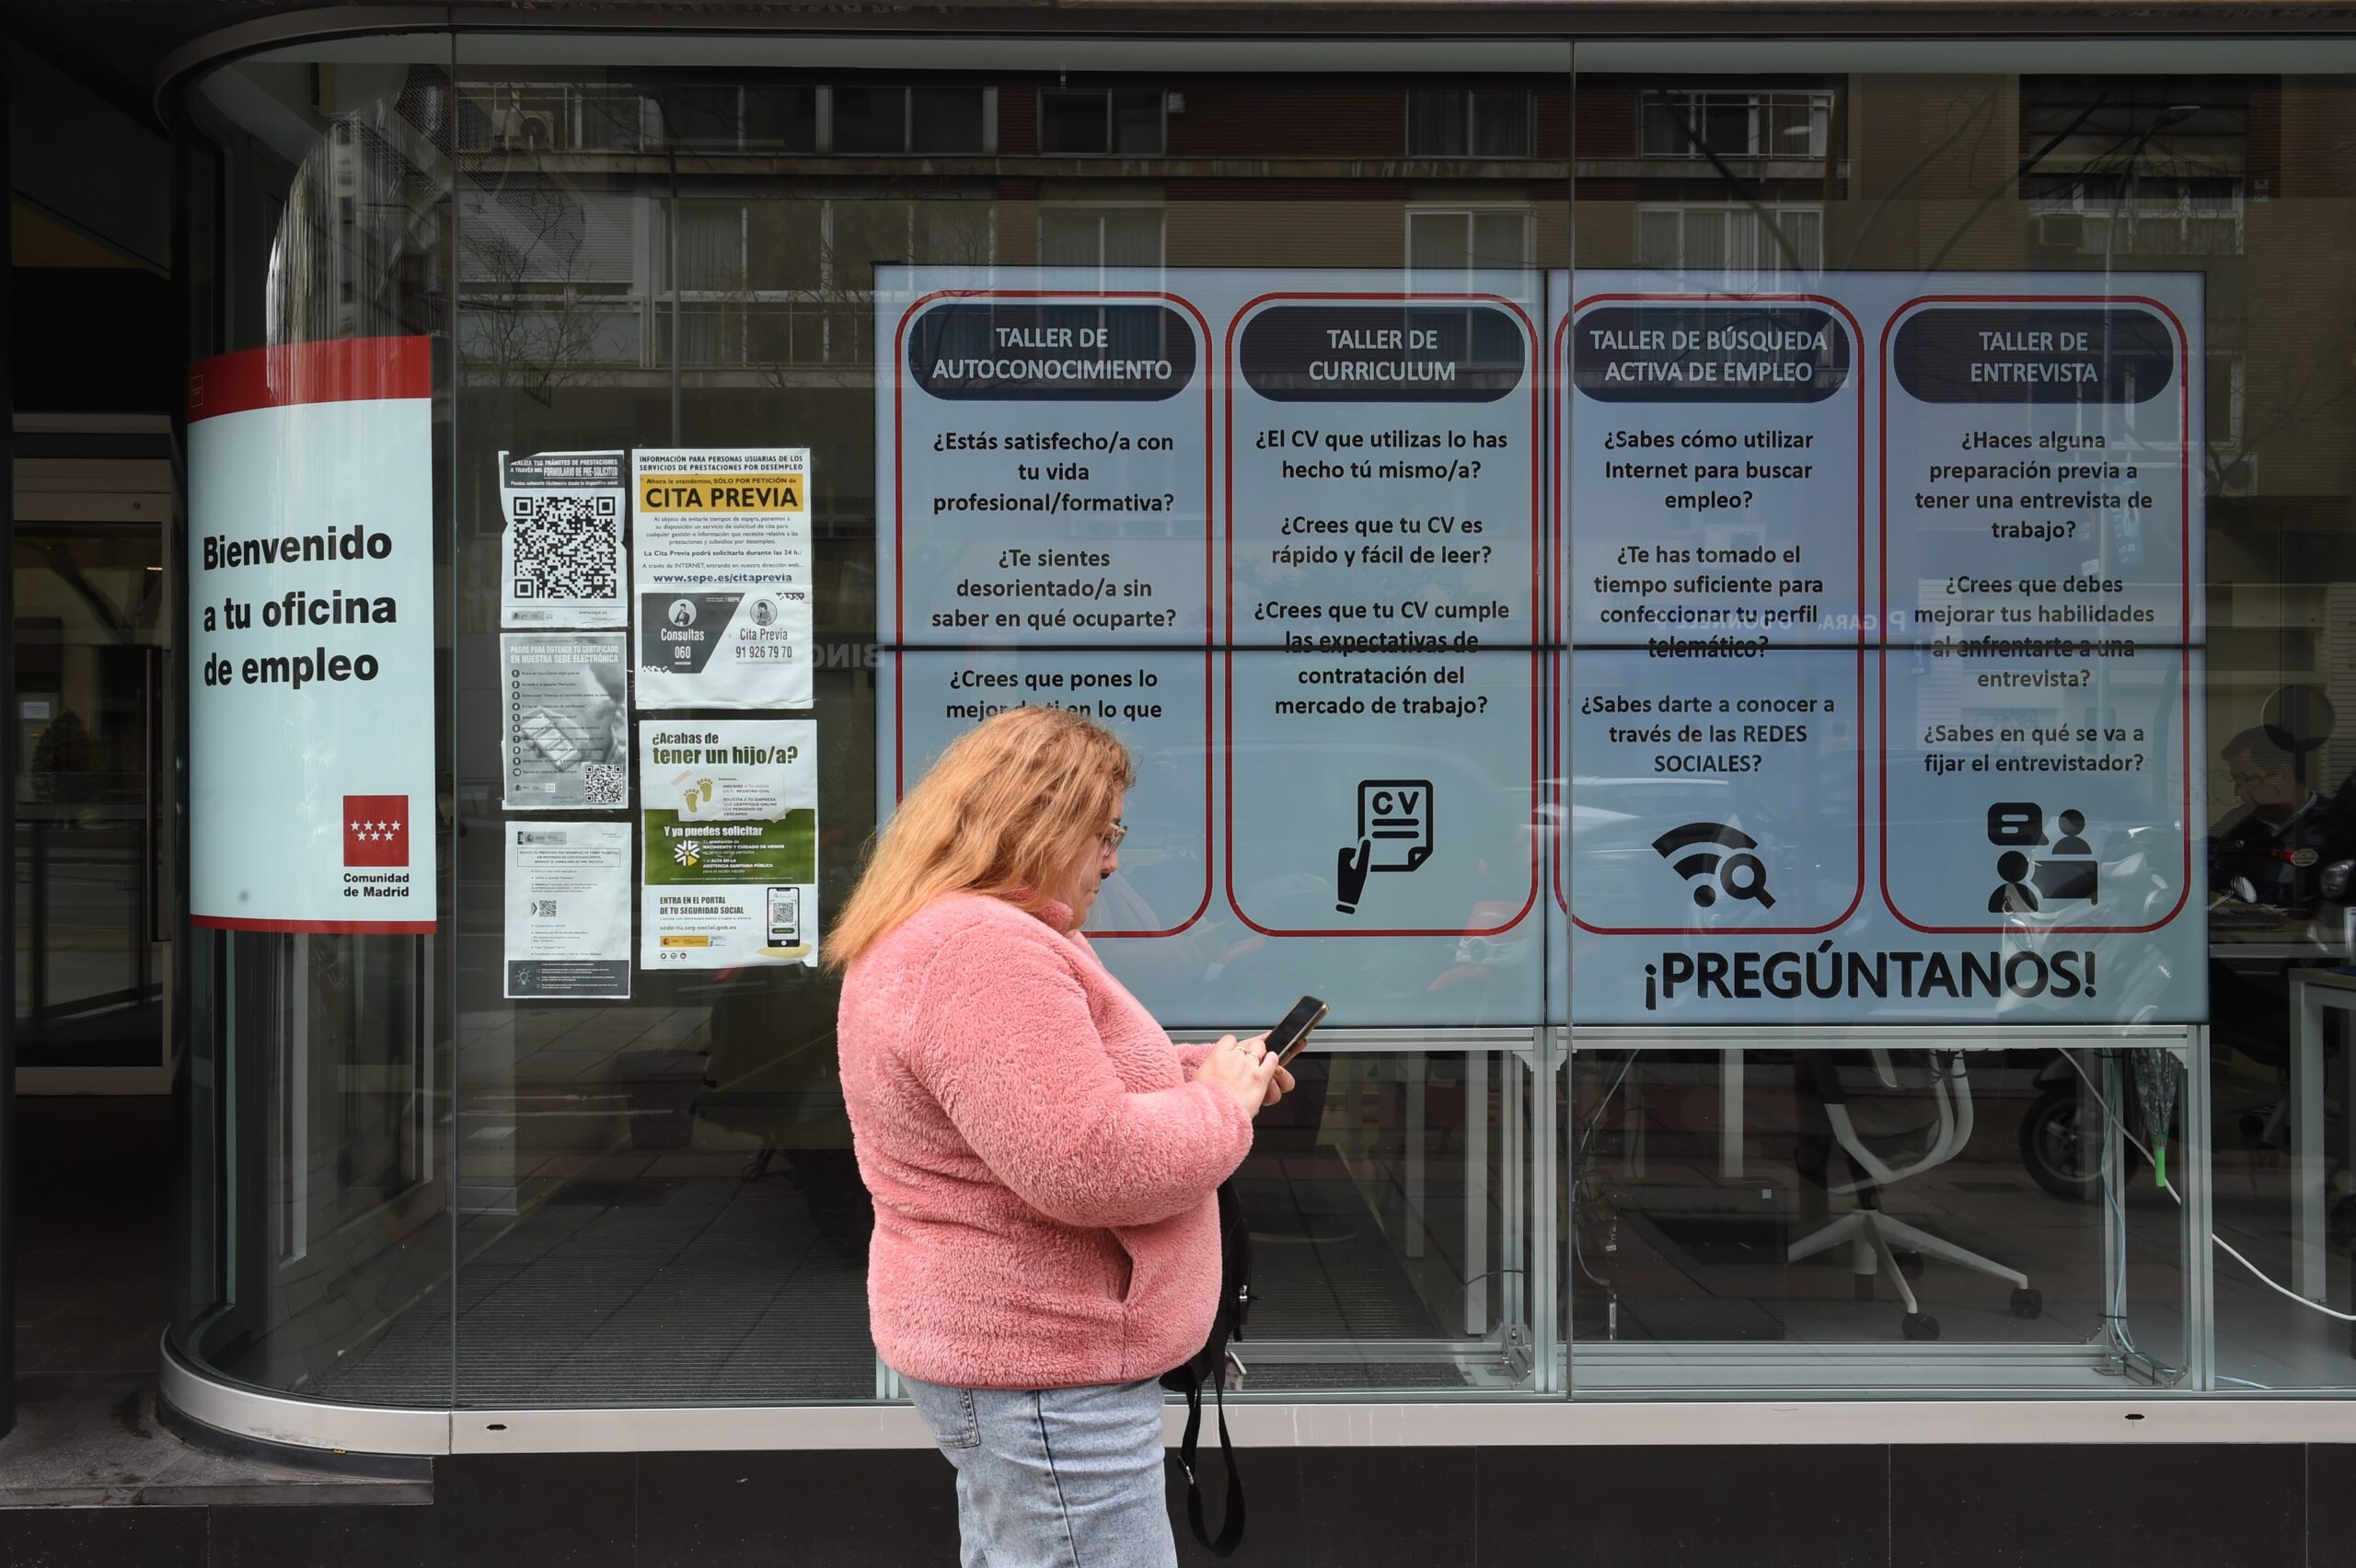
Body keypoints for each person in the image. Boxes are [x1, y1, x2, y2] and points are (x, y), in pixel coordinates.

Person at [828, 705, 1289, 1568]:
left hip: (1033, 1364)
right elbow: (1088, 1162)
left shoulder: (956, 931)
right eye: (1102, 833)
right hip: (1049, 1370)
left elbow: (1045, 1093)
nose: (1113, 860)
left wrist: (1206, 1076)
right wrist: (1221, 1109)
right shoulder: (983, 951)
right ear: (1034, 823)